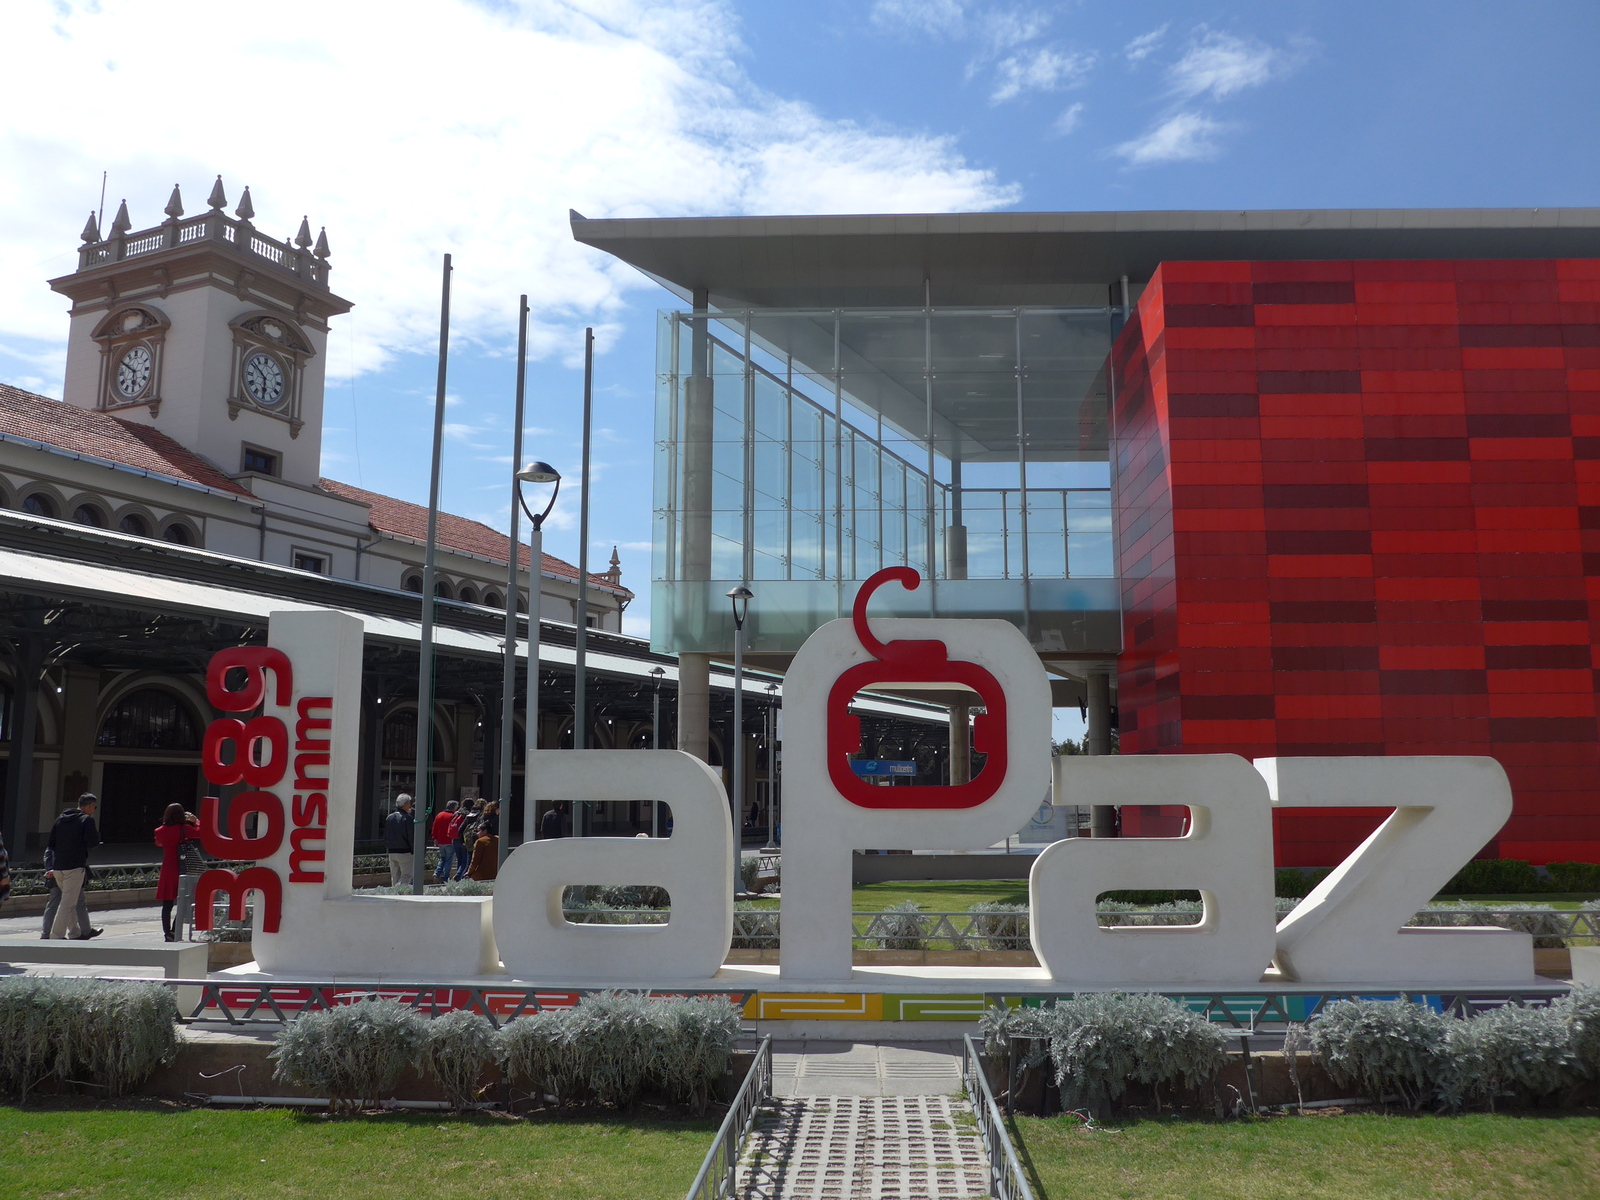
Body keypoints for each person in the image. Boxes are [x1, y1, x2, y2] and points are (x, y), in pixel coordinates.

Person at [47, 793, 101, 939]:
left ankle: (75, 933)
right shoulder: (86, 820)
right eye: (94, 807)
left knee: (70, 900)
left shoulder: (60, 819)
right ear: (90, 805)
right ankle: (56, 935)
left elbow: (51, 843)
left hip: (58, 866)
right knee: (68, 903)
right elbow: (93, 843)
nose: (94, 810)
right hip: (75, 866)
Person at [153, 803, 200, 942]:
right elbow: (201, 832)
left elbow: (159, 843)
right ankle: (174, 930)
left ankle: (167, 933)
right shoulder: (185, 829)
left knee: (167, 905)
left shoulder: (159, 831)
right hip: (183, 868)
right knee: (183, 903)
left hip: (168, 869)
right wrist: (196, 821)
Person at [384, 794, 415, 886]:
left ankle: (395, 892)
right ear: (405, 804)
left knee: (395, 877)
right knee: (406, 876)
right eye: (409, 803)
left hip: (392, 851)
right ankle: (398, 890)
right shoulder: (408, 818)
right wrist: (413, 850)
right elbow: (411, 836)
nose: (410, 805)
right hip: (405, 851)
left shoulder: (389, 817)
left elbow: (386, 835)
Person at [431, 800, 459, 882]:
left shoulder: (439, 815)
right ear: (454, 807)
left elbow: (434, 827)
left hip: (440, 841)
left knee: (442, 858)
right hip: (449, 840)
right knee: (449, 859)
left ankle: (437, 872)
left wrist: (435, 838)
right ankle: (445, 877)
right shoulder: (453, 816)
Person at [445, 803, 471, 880]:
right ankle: (460, 875)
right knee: (465, 861)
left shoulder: (456, 814)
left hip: (454, 840)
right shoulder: (467, 814)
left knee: (459, 859)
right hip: (462, 840)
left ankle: (458, 874)